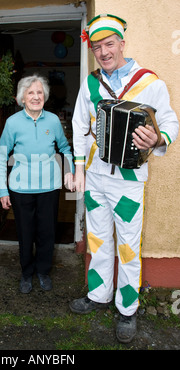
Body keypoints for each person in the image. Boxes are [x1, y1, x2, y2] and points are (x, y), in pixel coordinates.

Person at [70, 14, 178, 343]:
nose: (103, 52)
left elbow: (171, 123)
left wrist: (158, 140)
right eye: (97, 47)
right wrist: (78, 170)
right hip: (96, 178)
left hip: (129, 180)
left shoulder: (150, 83)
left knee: (129, 246)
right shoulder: (89, 84)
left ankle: (127, 309)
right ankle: (98, 295)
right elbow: (78, 126)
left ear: (122, 44)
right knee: (99, 240)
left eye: (109, 44)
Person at [0, 74, 75, 294]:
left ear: (45, 96)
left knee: (47, 232)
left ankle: (43, 271)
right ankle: (26, 273)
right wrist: (3, 190)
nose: (36, 96)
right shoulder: (13, 123)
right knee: (25, 232)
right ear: (22, 97)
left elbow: (65, 149)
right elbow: (1, 156)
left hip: (49, 187)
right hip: (21, 188)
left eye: (39, 92)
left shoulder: (53, 120)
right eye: (31, 92)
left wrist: (70, 171)